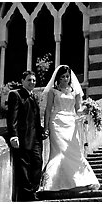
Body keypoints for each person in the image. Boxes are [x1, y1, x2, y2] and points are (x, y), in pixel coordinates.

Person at [39, 65, 100, 193]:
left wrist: (88, 108)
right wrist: (46, 127)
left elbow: (78, 109)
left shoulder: (75, 91)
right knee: (59, 152)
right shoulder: (53, 91)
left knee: (74, 151)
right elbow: (48, 109)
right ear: (58, 78)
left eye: (67, 76)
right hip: (56, 122)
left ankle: (78, 181)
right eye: (62, 77)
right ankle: (51, 184)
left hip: (71, 123)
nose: (65, 79)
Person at [6, 71, 43, 201]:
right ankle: (27, 195)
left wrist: (42, 131)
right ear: (22, 81)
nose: (32, 82)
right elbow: (12, 117)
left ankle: (33, 189)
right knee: (24, 166)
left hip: (36, 138)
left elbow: (36, 119)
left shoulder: (35, 97)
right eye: (29, 80)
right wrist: (13, 136)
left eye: (34, 80)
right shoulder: (15, 95)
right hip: (22, 137)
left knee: (38, 163)